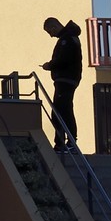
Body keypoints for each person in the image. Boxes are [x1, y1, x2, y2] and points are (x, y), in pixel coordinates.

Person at [41, 16, 83, 150]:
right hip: (67, 79)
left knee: (62, 110)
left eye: (49, 32)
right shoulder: (69, 38)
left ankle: (69, 143)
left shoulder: (67, 40)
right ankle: (62, 142)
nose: (51, 35)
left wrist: (50, 65)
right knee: (60, 110)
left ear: (53, 27)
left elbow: (64, 59)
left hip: (66, 79)